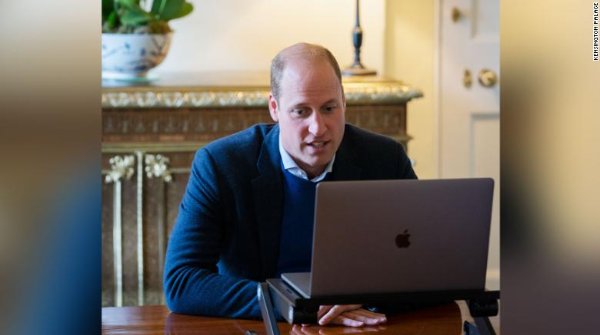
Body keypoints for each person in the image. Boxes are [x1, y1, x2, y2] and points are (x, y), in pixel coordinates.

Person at [164, 42, 417, 327]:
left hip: (361, 324)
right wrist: (293, 304)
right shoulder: (221, 164)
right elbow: (182, 281)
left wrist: (367, 295)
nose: (317, 128)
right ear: (275, 107)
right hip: (262, 326)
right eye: (300, 111)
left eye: (329, 108)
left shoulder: (385, 159)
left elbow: (428, 265)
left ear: (344, 102)